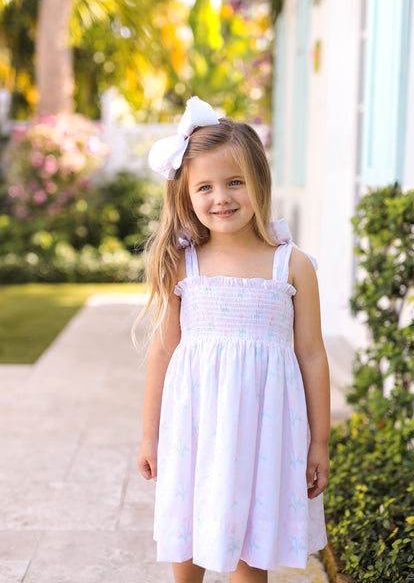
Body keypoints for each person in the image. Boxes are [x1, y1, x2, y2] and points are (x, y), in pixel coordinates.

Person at [137, 96, 330, 583]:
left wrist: (319, 443)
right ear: (186, 194)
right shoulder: (185, 263)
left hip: (263, 429)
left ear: (259, 184)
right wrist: (149, 435)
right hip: (196, 425)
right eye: (205, 186)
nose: (221, 197)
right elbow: (163, 351)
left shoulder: (293, 264)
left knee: (248, 538)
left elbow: (311, 354)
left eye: (235, 182)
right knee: (191, 527)